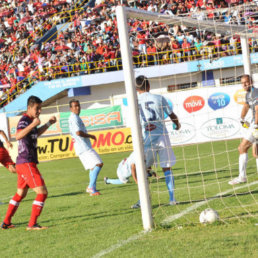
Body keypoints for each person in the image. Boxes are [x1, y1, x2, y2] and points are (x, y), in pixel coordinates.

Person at [1, 96, 57, 230]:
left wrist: (48, 123)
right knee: (42, 192)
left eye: (40, 108)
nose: (39, 111)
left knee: (20, 194)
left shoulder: (30, 121)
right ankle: (32, 224)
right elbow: (18, 136)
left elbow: (35, 133)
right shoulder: (25, 120)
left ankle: (6, 222)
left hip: (23, 163)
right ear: (29, 108)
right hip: (26, 162)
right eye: (37, 108)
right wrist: (32, 124)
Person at [135, 75, 181, 205]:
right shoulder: (159, 98)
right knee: (167, 168)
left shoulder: (135, 102)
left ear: (136, 88)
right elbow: (172, 115)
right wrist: (177, 125)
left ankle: (142, 200)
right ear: (149, 85)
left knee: (144, 169)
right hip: (162, 136)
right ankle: (172, 199)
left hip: (147, 138)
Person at [69, 99, 103, 196]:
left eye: (78, 105)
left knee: (93, 167)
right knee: (99, 164)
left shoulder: (74, 117)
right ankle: (91, 187)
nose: (77, 108)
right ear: (71, 108)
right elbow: (78, 133)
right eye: (75, 106)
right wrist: (91, 136)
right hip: (83, 147)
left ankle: (92, 188)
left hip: (81, 147)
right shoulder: (74, 118)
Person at [229, 74, 258, 185]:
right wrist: (241, 118)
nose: (244, 84)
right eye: (242, 83)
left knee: (242, 148)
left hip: (257, 125)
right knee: (255, 153)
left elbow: (257, 109)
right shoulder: (248, 94)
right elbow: (246, 106)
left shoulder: (256, 92)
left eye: (246, 82)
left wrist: (255, 125)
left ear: (251, 81)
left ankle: (242, 177)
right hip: (254, 125)